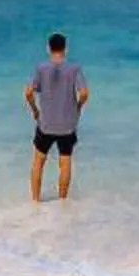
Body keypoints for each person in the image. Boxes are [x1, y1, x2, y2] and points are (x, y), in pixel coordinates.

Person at [25, 33, 89, 202]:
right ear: (66, 49)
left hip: (45, 124)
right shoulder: (74, 69)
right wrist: (78, 107)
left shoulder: (41, 68)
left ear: (48, 48)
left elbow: (29, 92)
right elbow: (84, 93)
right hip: (67, 125)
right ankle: (62, 202)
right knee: (65, 162)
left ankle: (35, 201)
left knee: (39, 161)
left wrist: (35, 110)